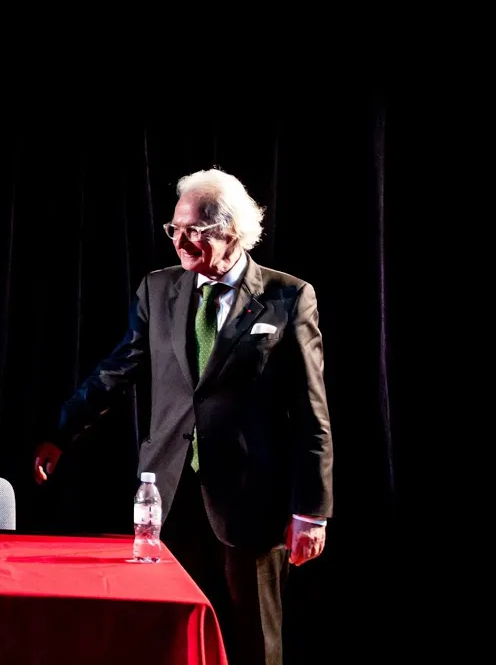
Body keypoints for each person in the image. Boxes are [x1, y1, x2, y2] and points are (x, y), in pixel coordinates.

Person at [33, 168, 333, 665]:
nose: (179, 240)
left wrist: (311, 511)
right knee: (170, 638)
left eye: (194, 230)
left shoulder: (287, 297)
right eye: (175, 228)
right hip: (169, 494)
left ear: (230, 231)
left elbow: (310, 411)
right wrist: (60, 433)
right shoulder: (159, 289)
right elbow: (117, 370)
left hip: (250, 500)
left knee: (253, 641)